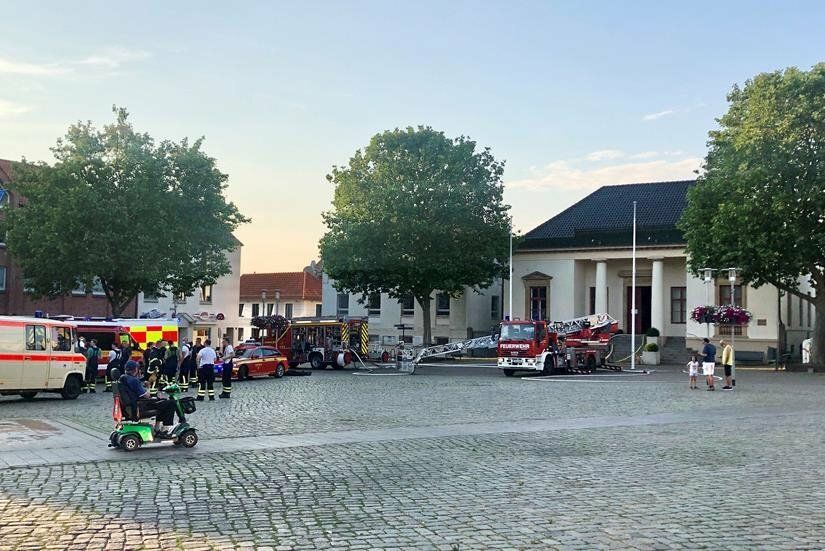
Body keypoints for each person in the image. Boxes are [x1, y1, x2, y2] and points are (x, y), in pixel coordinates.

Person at [120, 360, 178, 435]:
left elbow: (134, 390)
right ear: (135, 369)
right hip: (140, 406)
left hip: (131, 406)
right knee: (170, 403)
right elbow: (147, 396)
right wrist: (148, 387)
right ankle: (165, 429)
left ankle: (157, 428)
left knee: (162, 401)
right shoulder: (133, 380)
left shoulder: (123, 378)